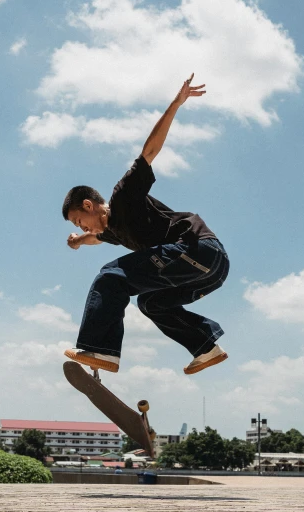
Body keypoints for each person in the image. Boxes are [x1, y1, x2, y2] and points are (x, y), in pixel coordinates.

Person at [61, 73, 229, 375]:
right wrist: (79, 240)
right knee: (151, 303)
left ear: (89, 205)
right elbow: (99, 238)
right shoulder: (114, 232)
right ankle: (206, 347)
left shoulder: (124, 196)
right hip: (211, 271)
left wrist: (176, 104)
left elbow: (149, 153)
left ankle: (100, 348)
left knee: (110, 276)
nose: (83, 227)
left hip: (197, 250)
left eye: (80, 221)